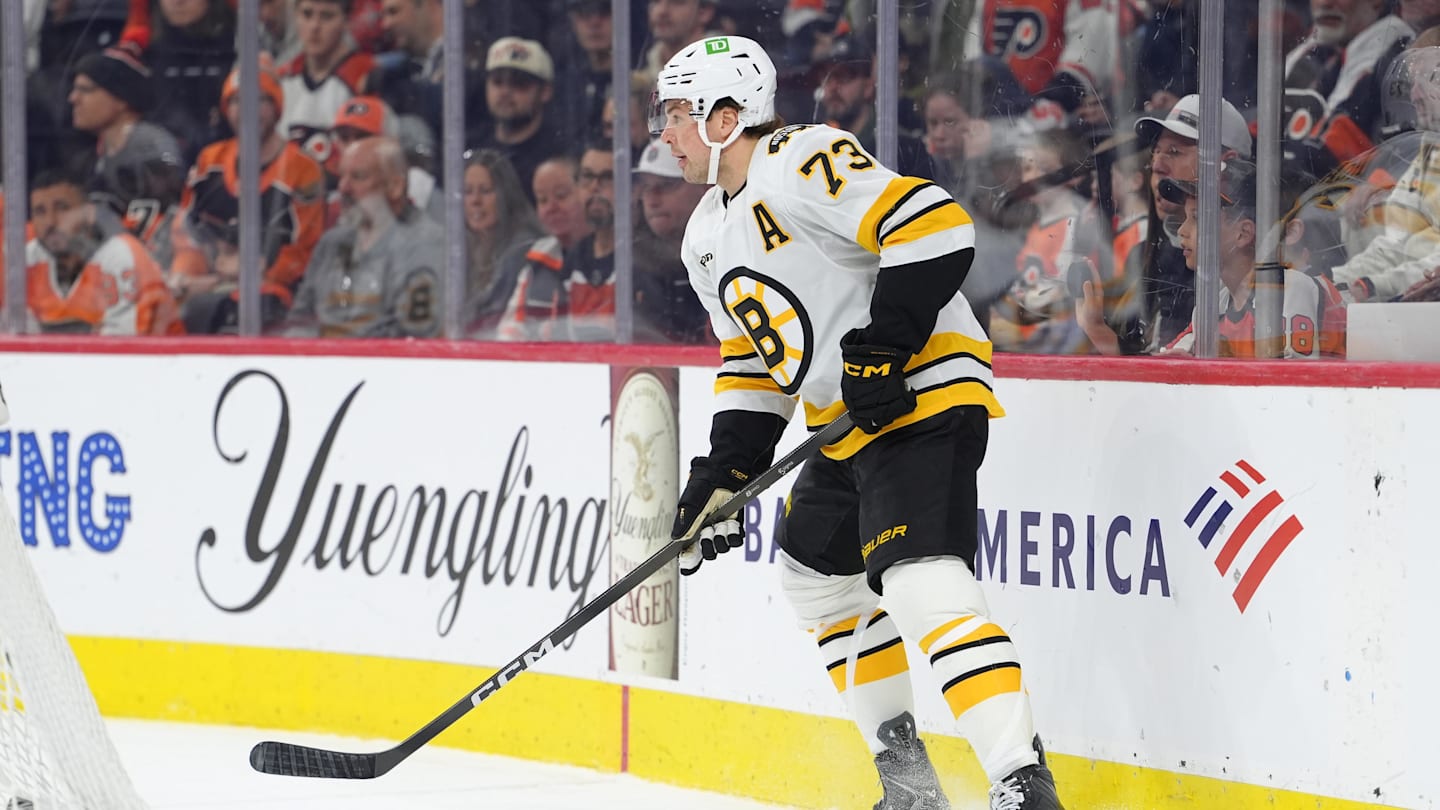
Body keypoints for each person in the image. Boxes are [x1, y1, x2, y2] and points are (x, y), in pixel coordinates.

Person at [654, 35, 1063, 810]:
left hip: (922, 396)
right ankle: (909, 787)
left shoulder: (803, 158)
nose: (666, 133)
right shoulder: (705, 236)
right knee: (816, 579)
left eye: (678, 113)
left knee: (919, 586)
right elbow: (752, 358)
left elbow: (934, 224)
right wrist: (725, 472)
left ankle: (1021, 781)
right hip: (846, 424)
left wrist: (884, 347)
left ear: (725, 117)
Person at [173, 62, 326, 332]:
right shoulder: (210, 160)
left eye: (259, 100)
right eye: (236, 101)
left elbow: (302, 253)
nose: (246, 110)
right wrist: (186, 276)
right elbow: (187, 232)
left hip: (271, 293)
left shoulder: (303, 169)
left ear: (277, 106)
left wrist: (249, 273)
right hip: (207, 282)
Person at [1157, 159, 1347, 358]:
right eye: (1185, 218)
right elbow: (1168, 362)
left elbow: (1288, 384)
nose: (1181, 230)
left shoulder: (1290, 288)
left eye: (1197, 218)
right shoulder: (1213, 304)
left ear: (1243, 233)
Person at [285, 136, 444, 337]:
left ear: (395, 186)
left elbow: (415, 337)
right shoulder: (331, 243)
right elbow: (300, 320)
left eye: (358, 177)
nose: (343, 187)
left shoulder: (426, 244)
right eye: (342, 176)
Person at [67, 42, 188, 270]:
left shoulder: (151, 145)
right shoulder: (95, 155)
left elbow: (168, 224)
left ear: (121, 99)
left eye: (86, 89)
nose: (73, 98)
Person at [23, 170, 183, 336]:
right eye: (40, 212)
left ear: (89, 213)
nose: (50, 222)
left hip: (157, 360)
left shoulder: (122, 256)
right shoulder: (28, 259)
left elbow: (120, 351)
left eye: (63, 208)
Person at [632, 137, 713, 343]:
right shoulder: (634, 261)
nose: (652, 199)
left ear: (705, 186)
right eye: (646, 187)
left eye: (666, 185)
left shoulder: (731, 254)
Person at [278, 0, 375, 167]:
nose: (314, 26)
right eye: (307, 14)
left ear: (346, 22)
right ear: (295, 17)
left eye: (327, 16)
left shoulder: (366, 75)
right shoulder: (282, 77)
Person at [472, 37, 566, 206]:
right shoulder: (471, 145)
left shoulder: (558, 155)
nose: (505, 92)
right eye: (497, 82)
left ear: (545, 91)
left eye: (519, 83)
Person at [461, 148, 544, 335]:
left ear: (506, 194)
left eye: (486, 191)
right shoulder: (459, 249)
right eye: (468, 191)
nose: (475, 200)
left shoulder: (523, 250)